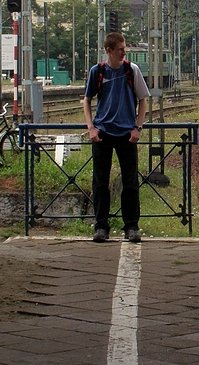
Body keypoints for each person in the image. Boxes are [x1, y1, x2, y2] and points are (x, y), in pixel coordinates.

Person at [83, 32, 150, 243]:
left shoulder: (132, 70)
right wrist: (91, 127)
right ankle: (101, 226)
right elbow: (86, 100)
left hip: (126, 133)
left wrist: (138, 127)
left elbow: (143, 100)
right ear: (109, 50)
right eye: (120, 49)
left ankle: (131, 227)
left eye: (124, 48)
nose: (124, 52)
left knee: (130, 182)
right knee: (100, 183)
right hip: (102, 133)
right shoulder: (98, 71)